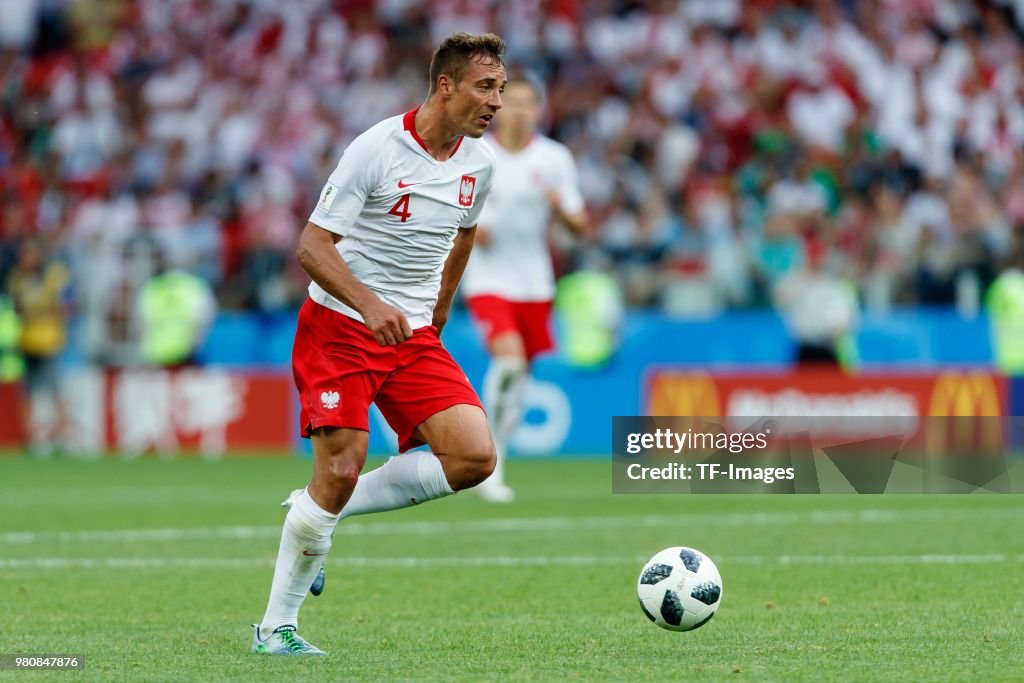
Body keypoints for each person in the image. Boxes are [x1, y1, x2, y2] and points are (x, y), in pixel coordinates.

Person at [251, 32, 506, 656]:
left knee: (474, 458)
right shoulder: (377, 147)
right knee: (341, 466)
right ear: (445, 85)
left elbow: (464, 235)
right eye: (484, 87)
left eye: (500, 88)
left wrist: (439, 309)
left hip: (412, 332)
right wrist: (370, 305)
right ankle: (275, 629)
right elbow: (312, 245)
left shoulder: (480, 164)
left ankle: (315, 508)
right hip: (341, 326)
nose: (495, 101)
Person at [460, 74, 587, 502]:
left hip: (535, 284)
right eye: (509, 101)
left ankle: (497, 458)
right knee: (509, 363)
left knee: (518, 383)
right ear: (495, 107)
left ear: (538, 109)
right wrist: (473, 229)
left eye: (527, 103)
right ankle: (485, 463)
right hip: (488, 280)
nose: (518, 110)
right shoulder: (476, 154)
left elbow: (578, 224)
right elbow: (451, 210)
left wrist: (559, 210)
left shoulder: (554, 159)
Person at [6, 237, 70, 456]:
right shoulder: (16, 278)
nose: (24, 259)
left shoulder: (53, 276)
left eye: (28, 254)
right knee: (27, 394)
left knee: (55, 392)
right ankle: (31, 440)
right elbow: (15, 309)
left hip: (48, 341)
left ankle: (60, 439)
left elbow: (69, 306)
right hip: (26, 342)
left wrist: (46, 315)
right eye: (22, 255)